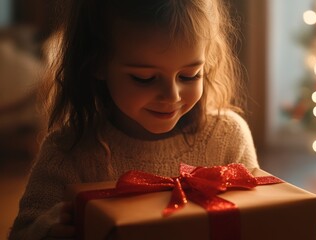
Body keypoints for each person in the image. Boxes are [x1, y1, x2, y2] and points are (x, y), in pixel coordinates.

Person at [9, 0, 259, 239]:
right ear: (97, 63)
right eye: (144, 78)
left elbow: (260, 218)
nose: (172, 96)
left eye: (190, 75)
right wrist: (43, 229)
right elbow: (23, 232)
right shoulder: (67, 152)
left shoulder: (228, 137)